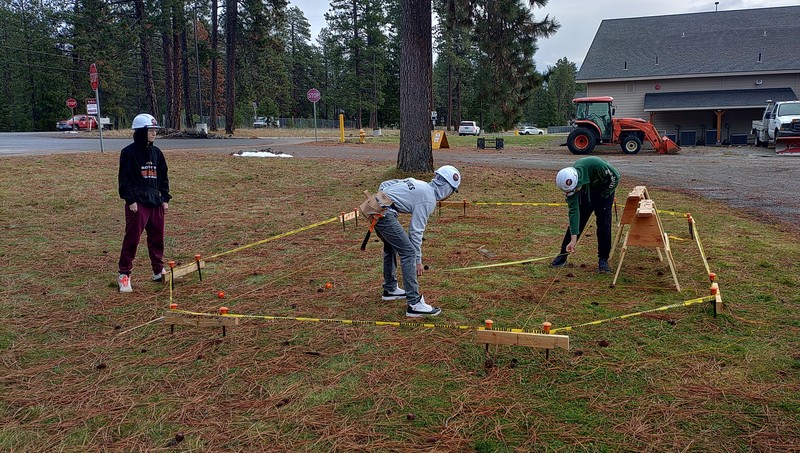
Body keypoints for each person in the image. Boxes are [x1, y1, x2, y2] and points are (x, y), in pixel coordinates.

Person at [373, 165, 462, 317]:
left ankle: (390, 289)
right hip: (383, 214)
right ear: (447, 189)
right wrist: (417, 261)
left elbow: (385, 184)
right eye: (452, 191)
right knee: (408, 253)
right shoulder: (428, 199)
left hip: (372, 207)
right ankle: (414, 304)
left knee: (391, 246)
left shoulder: (420, 183)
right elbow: (415, 231)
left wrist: (386, 203)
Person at [117, 113, 171, 292]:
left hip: (155, 201)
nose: (154, 133)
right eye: (151, 130)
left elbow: (163, 177)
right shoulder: (128, 152)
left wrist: (165, 198)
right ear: (141, 131)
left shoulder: (157, 153)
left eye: (155, 130)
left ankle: (158, 270)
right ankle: (124, 274)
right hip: (137, 202)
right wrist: (130, 200)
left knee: (157, 238)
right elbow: (124, 179)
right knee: (132, 239)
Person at [551, 156, 619, 273]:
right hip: (586, 192)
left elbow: (615, 176)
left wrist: (605, 193)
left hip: (604, 192)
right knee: (580, 220)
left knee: (604, 225)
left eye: (574, 190)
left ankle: (603, 260)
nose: (572, 193)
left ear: (577, 182)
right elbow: (574, 214)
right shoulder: (572, 186)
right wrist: (573, 240)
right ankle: (563, 256)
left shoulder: (597, 165)